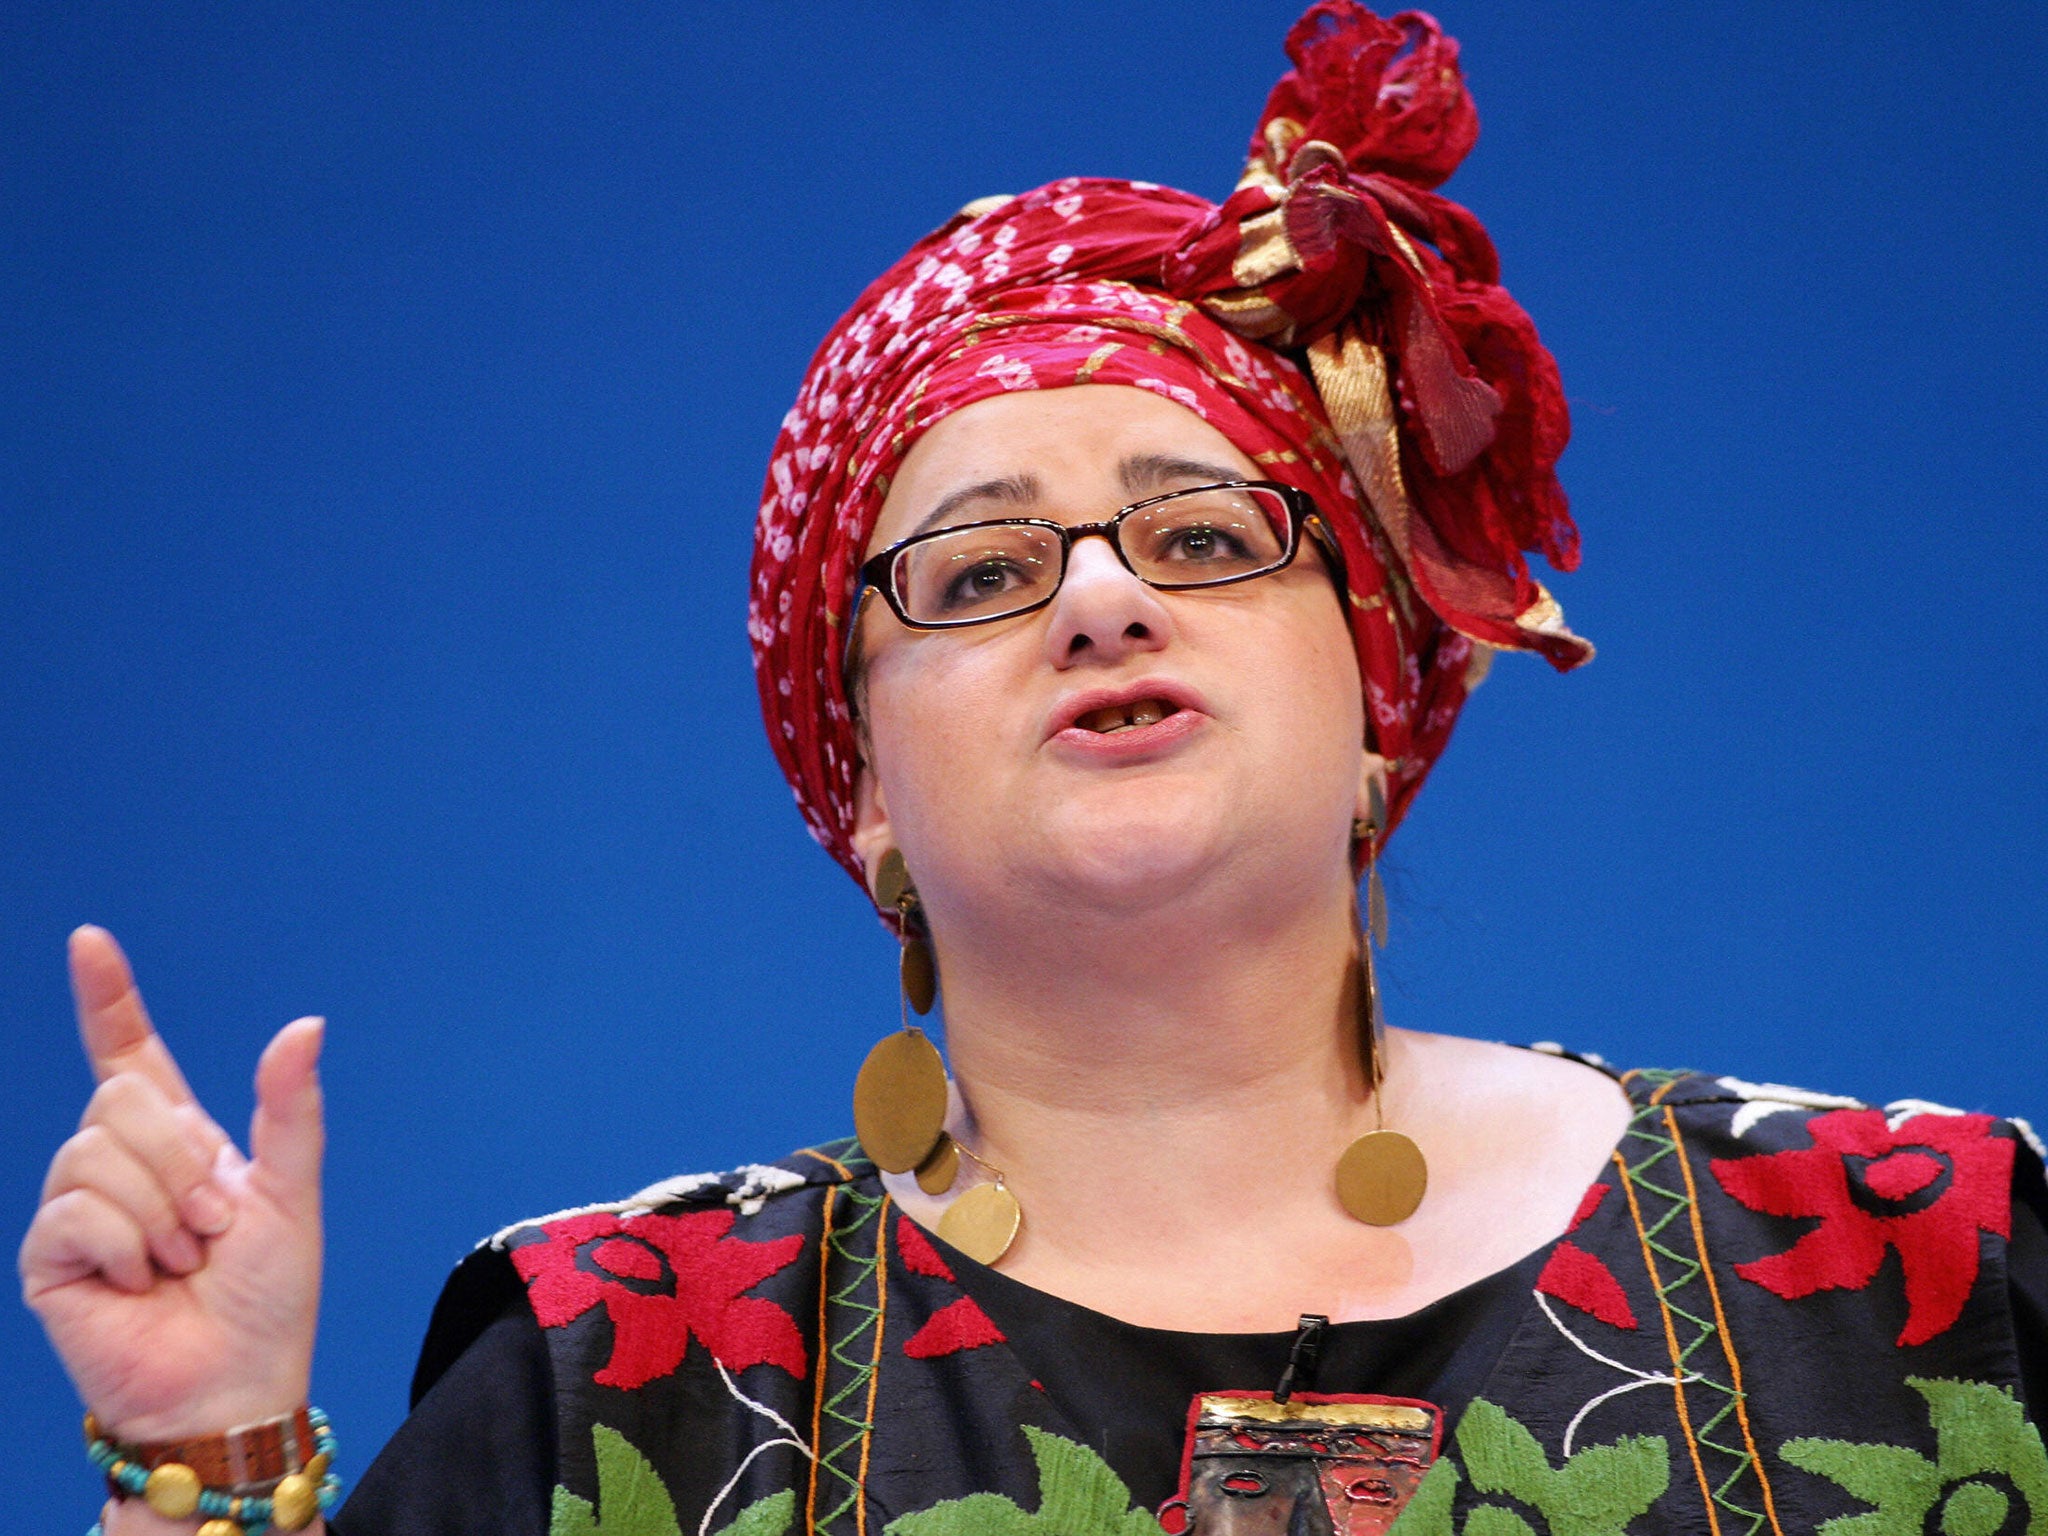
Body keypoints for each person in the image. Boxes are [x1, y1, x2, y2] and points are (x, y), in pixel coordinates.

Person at [22, 5, 2047, 1534]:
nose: (1097, 603)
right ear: (865, 789)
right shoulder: (616, 1365)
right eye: (982, 571)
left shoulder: (1919, 1264)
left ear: (1375, 697)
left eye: (1199, 535)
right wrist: (199, 1448)